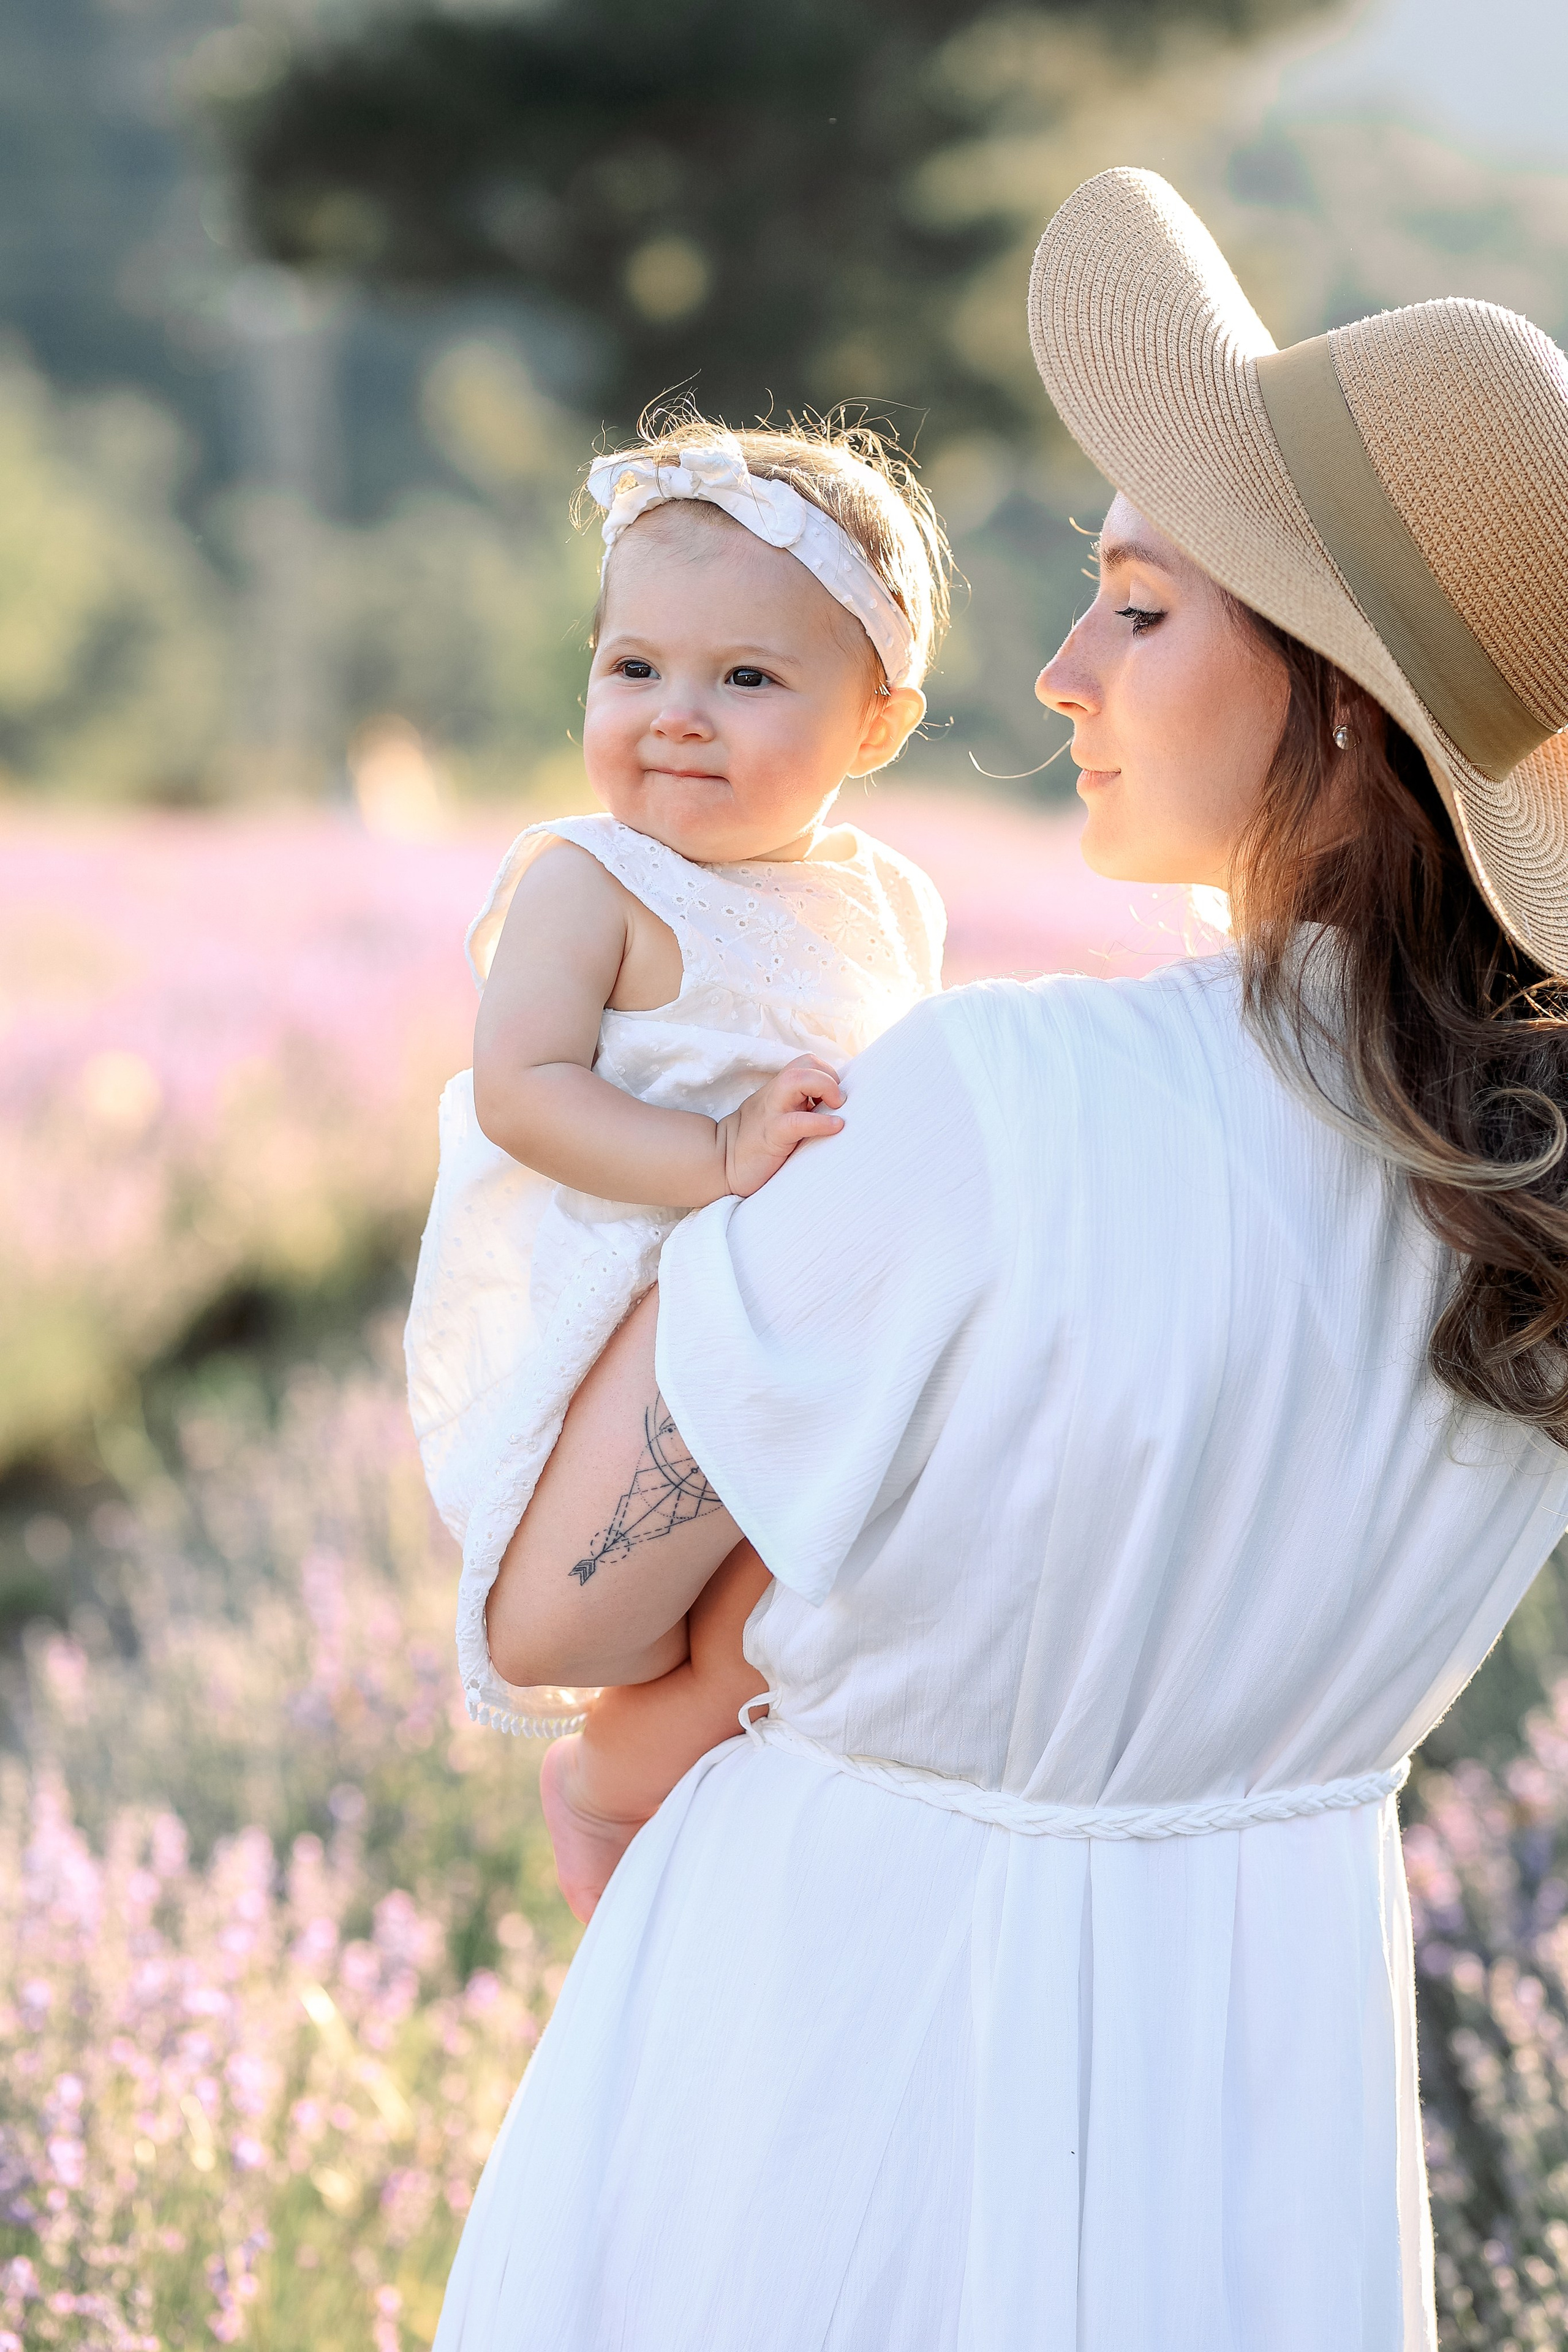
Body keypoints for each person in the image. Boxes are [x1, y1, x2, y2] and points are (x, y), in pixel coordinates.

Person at [433, 168, 1568, 2352]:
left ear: (1344, 706)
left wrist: (615, 1749)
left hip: (847, 2040)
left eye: (1138, 609)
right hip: (1266, 2083)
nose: (1057, 672)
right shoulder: (1527, 1200)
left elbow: (551, 1605)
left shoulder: (984, 1105)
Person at [403, 418, 951, 1918]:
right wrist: (713, 1154)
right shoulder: (590, 882)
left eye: (747, 679)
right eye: (635, 668)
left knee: (779, 1625)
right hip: (625, 1296)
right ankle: (607, 1796)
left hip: (801, 1337)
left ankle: (694, 1844)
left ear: (875, 726)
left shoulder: (885, 901)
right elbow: (522, 1090)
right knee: (682, 1621)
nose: (677, 719)